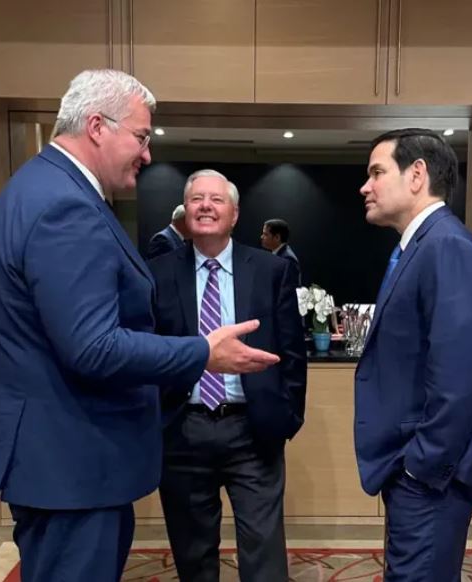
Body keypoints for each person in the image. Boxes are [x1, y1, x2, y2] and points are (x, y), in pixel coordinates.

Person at [0, 70, 279, 582]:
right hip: (70, 461)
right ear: (98, 126)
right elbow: (93, 347)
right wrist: (202, 353)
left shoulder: (38, 187)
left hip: (57, 456)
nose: (147, 154)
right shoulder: (65, 207)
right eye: (141, 137)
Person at [354, 129, 472, 581]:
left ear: (417, 174)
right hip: (414, 472)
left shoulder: (447, 246)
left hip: (430, 478)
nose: (365, 187)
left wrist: (421, 468)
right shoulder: (422, 245)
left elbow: (459, 378)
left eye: (376, 173)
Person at [148, 169, 307, 582]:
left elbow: (293, 352)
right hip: (183, 431)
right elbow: (148, 351)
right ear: (185, 212)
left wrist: (287, 419)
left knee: (264, 555)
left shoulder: (271, 270)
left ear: (234, 214)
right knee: (193, 554)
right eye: (196, 199)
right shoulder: (157, 273)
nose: (205, 206)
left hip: (253, 431)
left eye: (216, 199)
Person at [260, 218, 301, 284]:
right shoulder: (276, 254)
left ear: (277, 237)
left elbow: (289, 287)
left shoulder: (288, 259)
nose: (261, 237)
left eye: (265, 234)